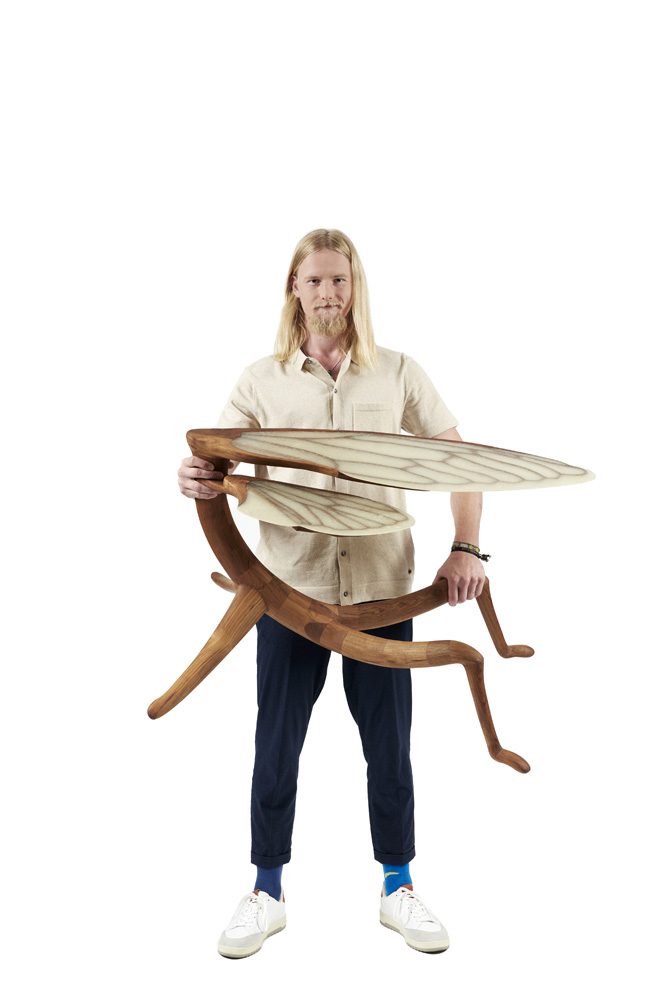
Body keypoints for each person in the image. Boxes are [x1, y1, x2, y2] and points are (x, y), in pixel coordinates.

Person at [178, 229, 486, 958]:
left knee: (390, 747)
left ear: (355, 287)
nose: (327, 293)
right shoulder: (261, 380)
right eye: (314, 280)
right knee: (276, 744)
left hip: (381, 591)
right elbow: (214, 463)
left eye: (339, 280)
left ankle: (397, 886)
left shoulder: (398, 372)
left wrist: (465, 547)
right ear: (294, 286)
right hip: (288, 592)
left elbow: (464, 459)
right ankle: (266, 891)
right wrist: (192, 477)